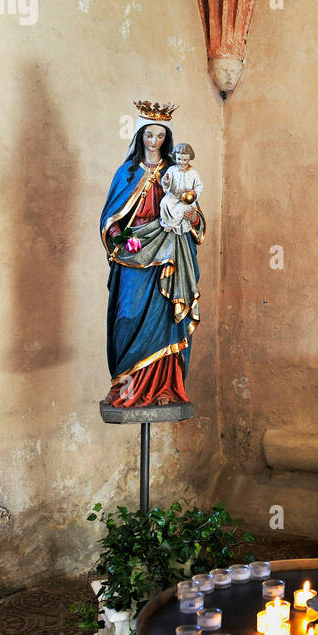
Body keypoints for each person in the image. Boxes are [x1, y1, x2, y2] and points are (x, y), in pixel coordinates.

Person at [101, 101, 205, 408]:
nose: (154, 141)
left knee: (166, 318)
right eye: (149, 135)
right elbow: (111, 219)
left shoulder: (177, 173)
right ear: (140, 136)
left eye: (160, 136)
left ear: (167, 139)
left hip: (170, 247)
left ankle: (164, 387)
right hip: (135, 249)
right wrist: (119, 237)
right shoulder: (126, 173)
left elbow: (194, 210)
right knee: (127, 315)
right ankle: (124, 384)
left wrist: (192, 218)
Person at [160, 143, 203, 234]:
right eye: (179, 159)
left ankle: (173, 225)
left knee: (180, 209)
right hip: (173, 196)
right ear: (175, 157)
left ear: (189, 159)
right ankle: (167, 222)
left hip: (186, 200)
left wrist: (194, 193)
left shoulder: (193, 173)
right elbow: (166, 182)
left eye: (185, 160)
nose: (181, 162)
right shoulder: (172, 170)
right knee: (164, 203)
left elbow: (199, 186)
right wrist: (166, 183)